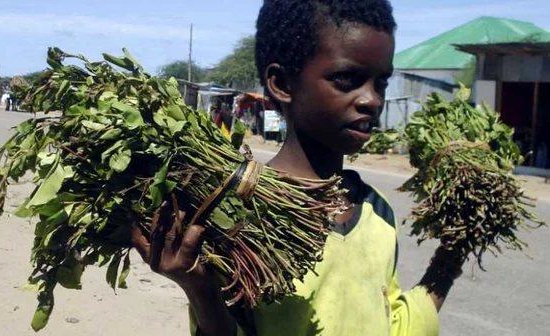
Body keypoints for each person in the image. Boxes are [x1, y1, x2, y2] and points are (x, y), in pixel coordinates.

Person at [130, 1, 466, 336]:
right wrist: (199, 289)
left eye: (381, 82)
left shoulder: (378, 211)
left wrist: (453, 255)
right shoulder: (240, 215)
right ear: (283, 84)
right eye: (347, 78)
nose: (373, 100)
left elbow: (390, 323)